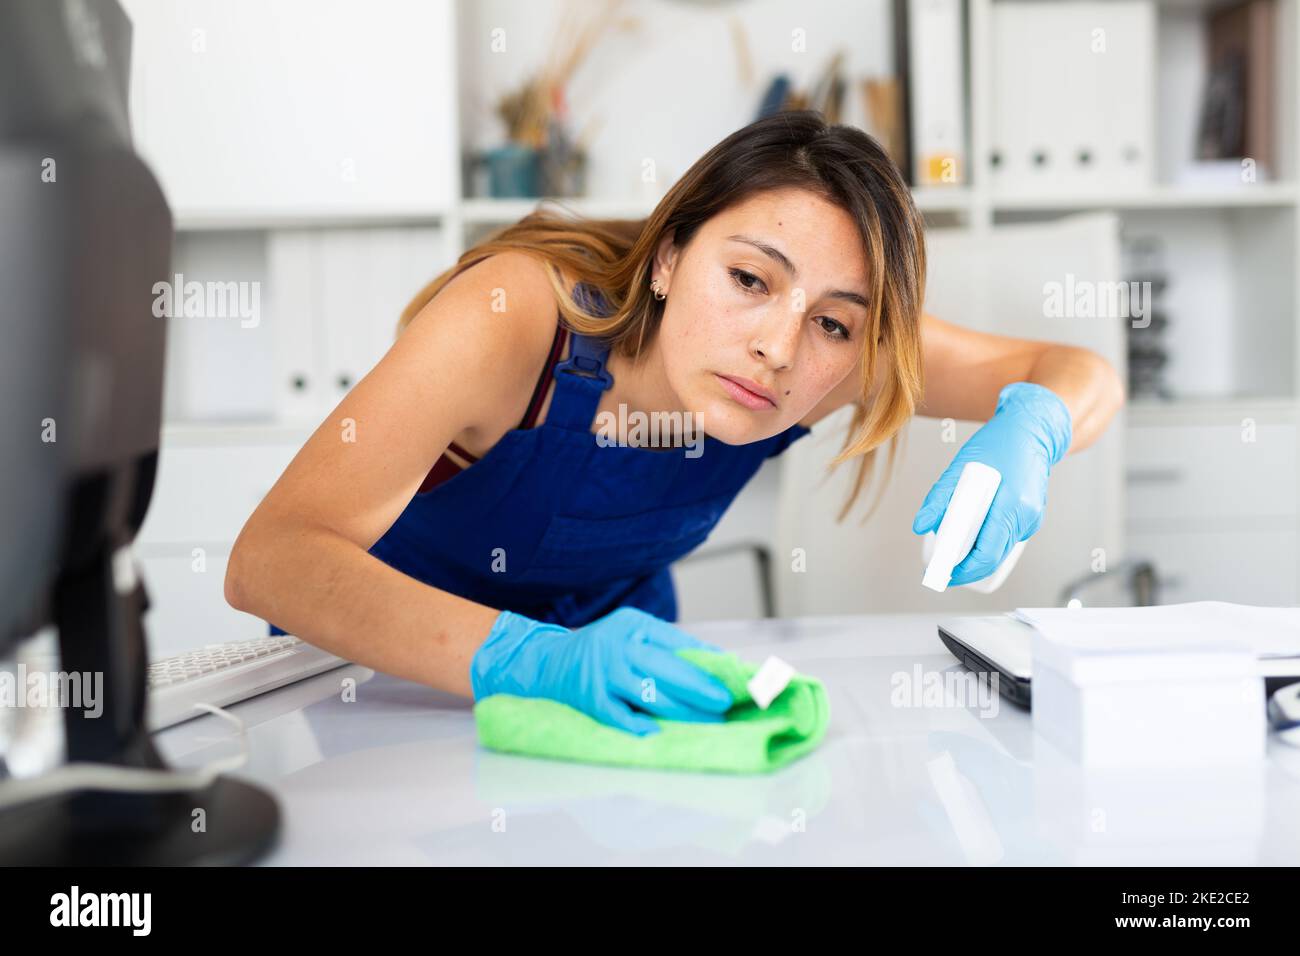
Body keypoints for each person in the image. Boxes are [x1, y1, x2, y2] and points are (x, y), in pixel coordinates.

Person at [225, 110, 1124, 735]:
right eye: (748, 279)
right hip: (381, 696)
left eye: (834, 320)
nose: (780, 346)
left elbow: (1079, 373)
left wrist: (1033, 428)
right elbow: (273, 559)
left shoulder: (829, 354)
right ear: (666, 259)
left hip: (616, 699)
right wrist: (532, 662)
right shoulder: (515, 316)